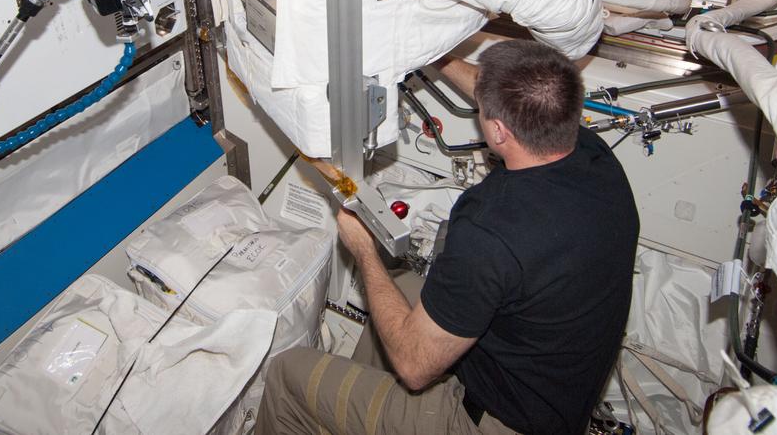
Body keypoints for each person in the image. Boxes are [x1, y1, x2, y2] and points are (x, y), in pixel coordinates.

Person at [255, 40, 640, 435]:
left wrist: (364, 251)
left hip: (486, 421)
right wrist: (434, 50)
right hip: (553, 395)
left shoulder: (490, 228)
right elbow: (488, 86)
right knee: (402, 285)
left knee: (289, 375)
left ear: (498, 130)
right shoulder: (596, 158)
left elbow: (414, 367)